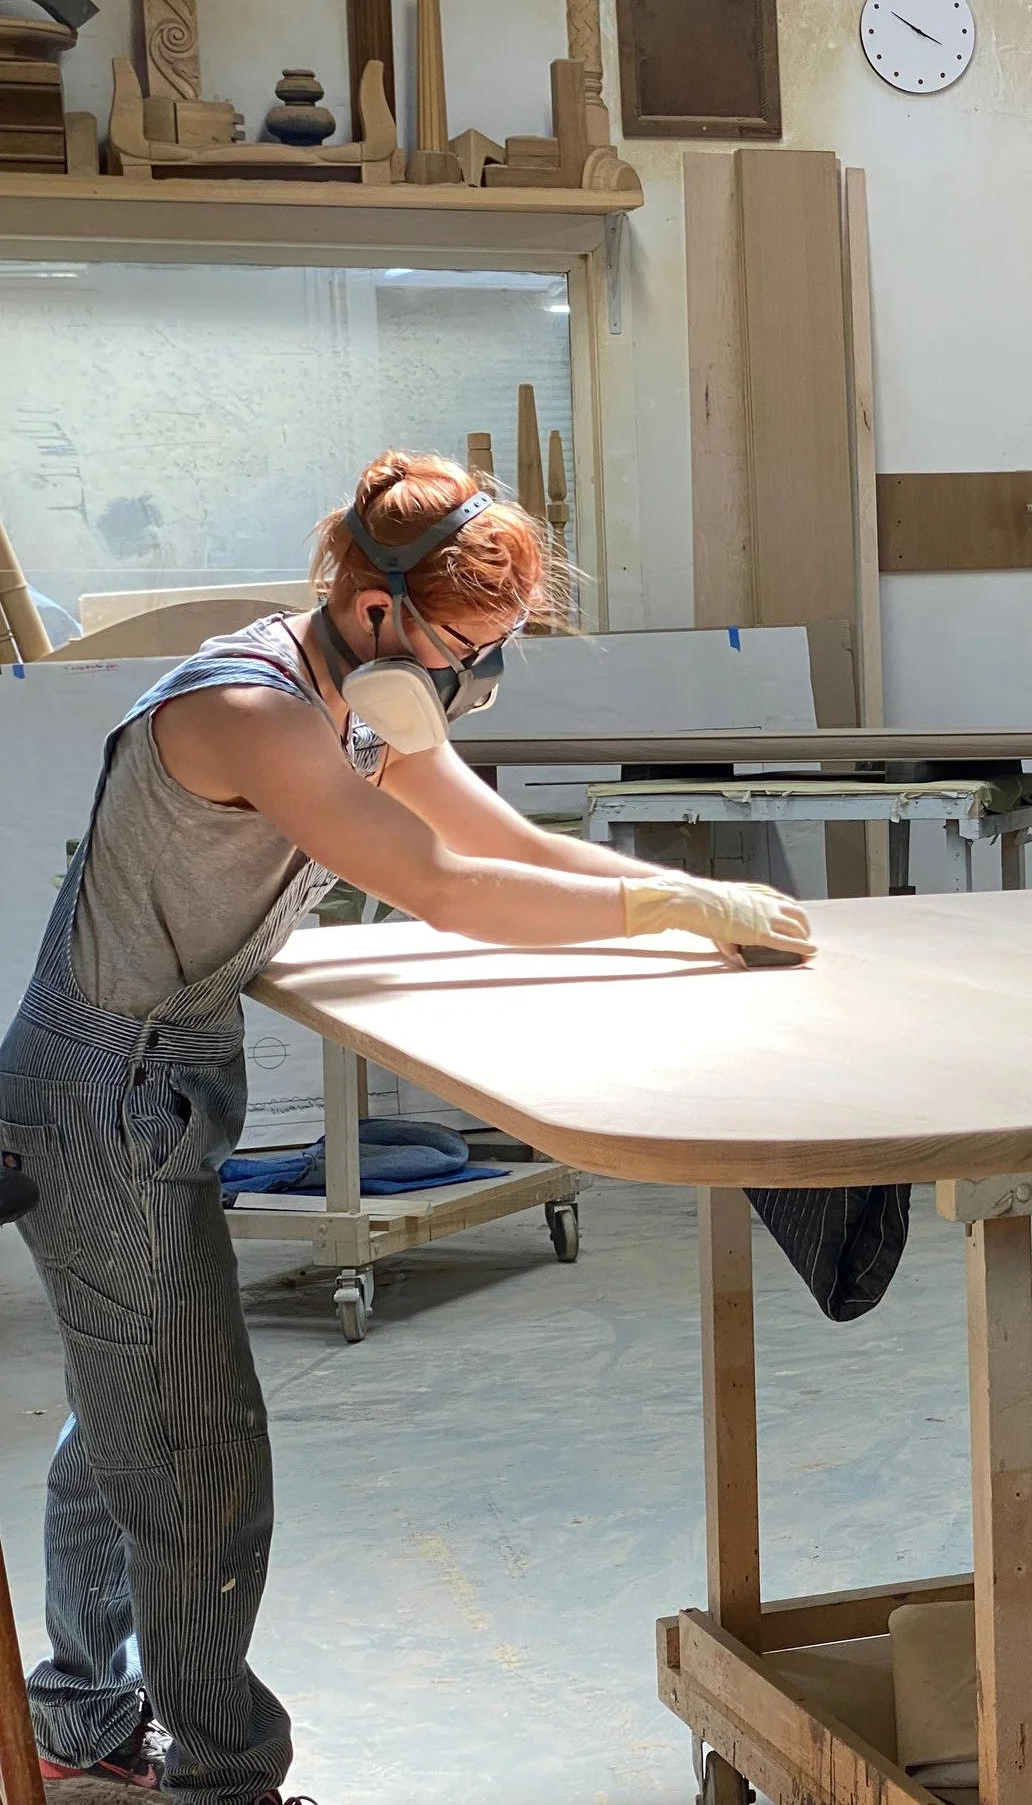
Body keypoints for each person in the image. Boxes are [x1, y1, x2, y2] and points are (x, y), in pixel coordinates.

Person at [0, 451, 815, 1803]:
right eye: (463, 650)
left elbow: (504, 837)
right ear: (377, 609)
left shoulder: (360, 698)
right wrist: (663, 919)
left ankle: (81, 1715)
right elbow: (440, 883)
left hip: (155, 1076)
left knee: (123, 1416)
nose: (471, 682)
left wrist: (683, 889)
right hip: (102, 1094)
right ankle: (223, 1771)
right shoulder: (253, 710)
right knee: (197, 1453)